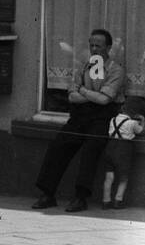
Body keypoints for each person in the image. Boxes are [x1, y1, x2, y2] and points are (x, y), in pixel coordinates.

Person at [32, 28, 125, 213]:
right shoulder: (84, 66)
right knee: (59, 145)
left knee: (91, 149)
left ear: (108, 47)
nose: (94, 49)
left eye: (98, 45)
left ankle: (80, 198)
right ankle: (47, 194)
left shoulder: (116, 70)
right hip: (80, 114)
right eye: (91, 45)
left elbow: (105, 100)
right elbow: (72, 96)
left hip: (102, 116)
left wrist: (83, 91)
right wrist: (90, 94)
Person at [102, 96, 145, 209]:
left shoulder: (112, 120)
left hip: (110, 147)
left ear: (122, 108)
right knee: (123, 177)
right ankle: (118, 200)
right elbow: (142, 131)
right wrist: (142, 120)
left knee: (109, 177)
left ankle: (105, 200)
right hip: (124, 150)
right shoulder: (132, 123)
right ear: (135, 113)